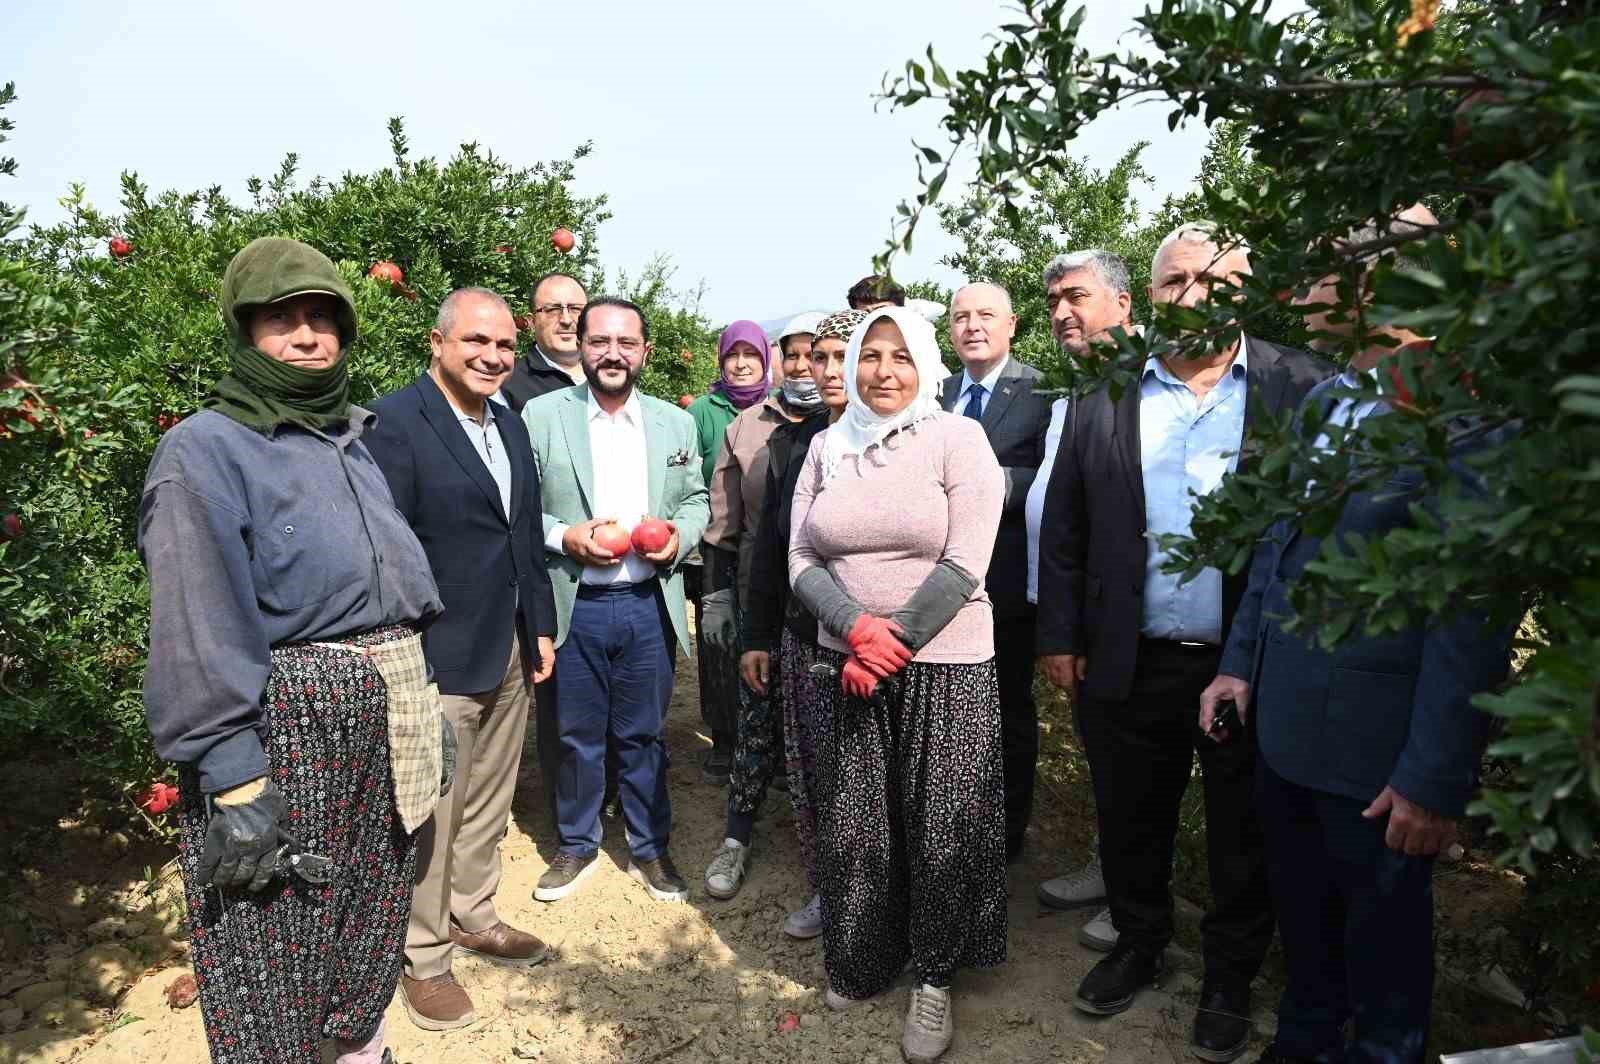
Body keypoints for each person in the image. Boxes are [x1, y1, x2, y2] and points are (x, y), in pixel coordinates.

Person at [1201, 207, 1513, 1064]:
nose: (1303, 290)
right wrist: (1239, 667)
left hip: (1379, 765)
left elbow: (1472, 614)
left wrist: (1433, 779)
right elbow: (1278, 542)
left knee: (1384, 978)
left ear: (1385, 280)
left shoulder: (1468, 416)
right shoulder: (1330, 396)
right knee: (1306, 950)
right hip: (1288, 734)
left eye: (1324, 269)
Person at [139, 236, 446, 1064]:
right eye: (284, 320)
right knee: (276, 947)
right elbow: (197, 621)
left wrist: (422, 703)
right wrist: (232, 771)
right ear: (245, 334)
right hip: (292, 725)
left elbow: (390, 587)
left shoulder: (350, 435)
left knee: (371, 918)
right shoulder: (205, 450)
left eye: (323, 318)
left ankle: (361, 1053)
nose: (309, 337)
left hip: (384, 706)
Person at [1036, 222, 1330, 1061]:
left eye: (1213, 280)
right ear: (1149, 300)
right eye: (1174, 282)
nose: (1192, 296)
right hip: (1128, 653)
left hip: (1248, 664)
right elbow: (1066, 524)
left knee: (1245, 831)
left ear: (1247, 291)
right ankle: (1139, 942)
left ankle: (1230, 977)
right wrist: (1060, 632)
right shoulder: (1107, 389)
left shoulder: (1298, 385)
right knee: (1131, 814)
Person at [790, 306, 1006, 1064]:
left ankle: (935, 975)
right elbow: (800, 560)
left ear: (924, 365)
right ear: (851, 366)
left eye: (900, 356)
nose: (885, 371)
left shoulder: (958, 438)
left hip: (945, 664)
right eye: (871, 356)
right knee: (854, 820)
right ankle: (863, 956)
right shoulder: (825, 448)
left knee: (939, 822)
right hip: (843, 658)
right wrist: (855, 629)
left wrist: (893, 642)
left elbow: (968, 558)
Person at [365, 288, 559, 1031]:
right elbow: (389, 550)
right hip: (438, 650)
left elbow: (524, 538)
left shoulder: (507, 424)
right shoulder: (397, 423)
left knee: (489, 799)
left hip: (508, 642)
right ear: (437, 343)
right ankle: (426, 955)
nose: (494, 357)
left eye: (506, 345)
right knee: (433, 813)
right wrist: (409, 650)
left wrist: (537, 626)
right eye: (478, 341)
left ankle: (474, 915)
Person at [523, 297, 709, 904]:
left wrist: (680, 535)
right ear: (580, 345)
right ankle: (577, 843)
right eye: (600, 341)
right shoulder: (542, 415)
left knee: (644, 732)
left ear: (645, 353)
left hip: (646, 603)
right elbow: (520, 506)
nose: (613, 354)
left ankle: (650, 845)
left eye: (626, 343)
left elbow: (697, 499)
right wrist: (564, 535)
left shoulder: (673, 424)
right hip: (576, 601)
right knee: (576, 732)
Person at [742, 309, 865, 938]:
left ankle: (877, 896)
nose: (830, 368)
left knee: (871, 776)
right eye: (821, 357)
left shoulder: (908, 436)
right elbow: (772, 544)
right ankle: (828, 889)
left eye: (846, 354)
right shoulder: (797, 443)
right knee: (815, 771)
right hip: (803, 632)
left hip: (885, 642)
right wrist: (757, 634)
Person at [700, 311, 831, 898]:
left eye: (821, 356)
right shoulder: (768, 436)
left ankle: (826, 863)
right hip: (769, 592)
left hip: (836, 611)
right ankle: (736, 838)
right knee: (756, 721)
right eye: (798, 356)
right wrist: (733, 605)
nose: (808, 367)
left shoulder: (850, 430)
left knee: (825, 737)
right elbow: (742, 528)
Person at [1027, 249, 1136, 950]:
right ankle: (1113, 869)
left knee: (1134, 760)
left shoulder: (1139, 386)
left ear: (1124, 303)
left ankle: (1135, 898)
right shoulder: (1075, 389)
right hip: (1070, 607)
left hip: (1121, 616)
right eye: (1054, 302)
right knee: (1106, 756)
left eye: (1078, 296)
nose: (1063, 312)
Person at [937, 281, 1051, 862]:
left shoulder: (1042, 393)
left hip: (1004, 582)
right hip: (937, 587)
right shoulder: (936, 394)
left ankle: (1006, 835)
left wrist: (985, 484)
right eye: (961, 316)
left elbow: (1055, 478)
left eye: (986, 315)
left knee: (1008, 708)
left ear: (1012, 325)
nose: (972, 325)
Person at [686, 322, 774, 785]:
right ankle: (723, 736)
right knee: (718, 644)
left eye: (751, 355)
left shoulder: (780, 410)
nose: (741, 363)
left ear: (765, 360)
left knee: (761, 641)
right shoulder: (703, 410)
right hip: (713, 545)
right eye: (732, 355)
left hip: (759, 546)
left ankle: (765, 737)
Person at [502, 272, 589, 409]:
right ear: (532, 322)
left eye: (576, 309)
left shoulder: (607, 373)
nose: (566, 320)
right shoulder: (507, 383)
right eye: (553, 309)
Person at [771, 312, 821, 386]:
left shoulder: (842, 397)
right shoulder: (771, 397)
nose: (799, 367)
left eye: (812, 357)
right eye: (792, 356)